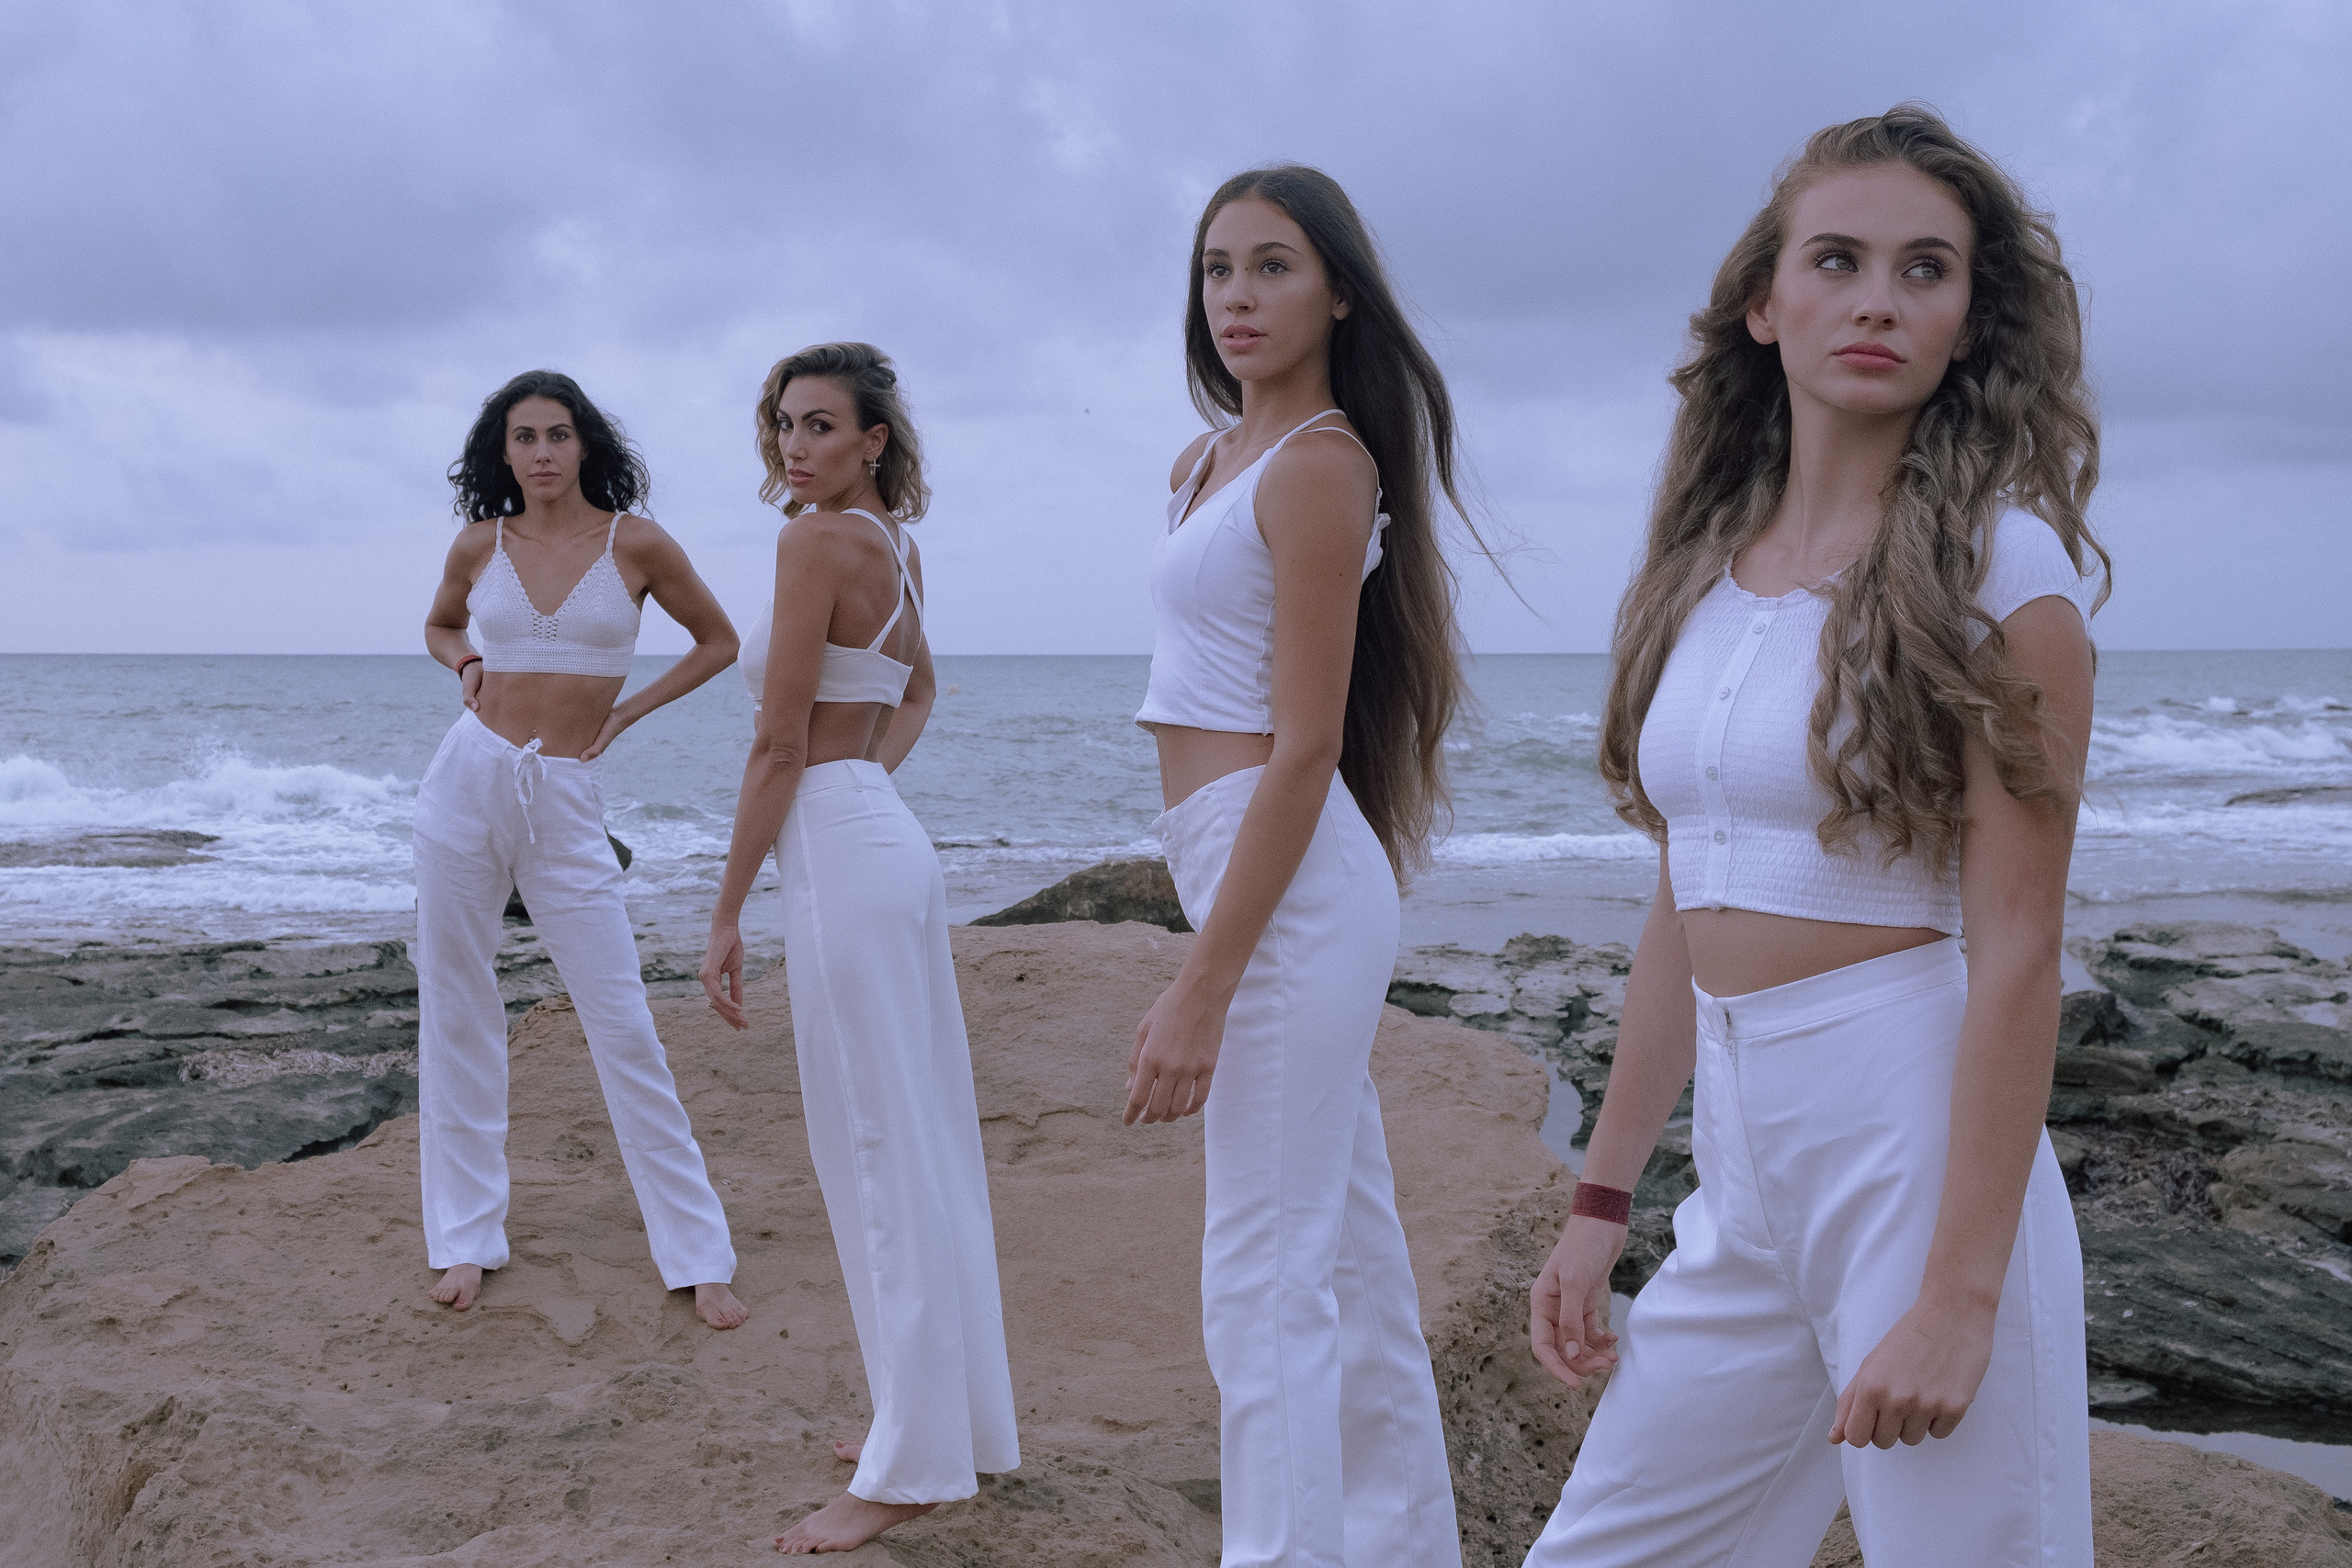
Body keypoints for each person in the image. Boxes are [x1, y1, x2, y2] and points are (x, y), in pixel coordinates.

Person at [1523, 105, 2109, 1567]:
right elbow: (1685, 892)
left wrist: (1963, 1289)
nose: (1877, 299)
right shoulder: (1703, 576)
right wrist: (1605, 1195)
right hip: (1741, 1151)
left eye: (1926, 270)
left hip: (1909, 1131)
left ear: (1970, 322)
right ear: (1763, 303)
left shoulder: (2004, 570)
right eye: (1837, 260)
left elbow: (2022, 942)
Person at [1125, 165, 1473, 1568]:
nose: (1239, 297)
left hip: (1292, 883)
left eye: (1272, 266)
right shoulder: (1202, 460)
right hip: (1239, 861)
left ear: (1337, 289)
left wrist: (1202, 986)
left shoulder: (1325, 463)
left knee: (1262, 1280)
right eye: (1218, 269)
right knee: (1351, 1267)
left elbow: (1306, 743)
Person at [698, 342, 1018, 1555]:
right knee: (917, 1136)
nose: (796, 445)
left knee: (878, 1149)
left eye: (822, 425)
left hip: (842, 847)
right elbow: (920, 688)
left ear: (875, 437)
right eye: (785, 424)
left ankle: (910, 1466)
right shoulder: (895, 548)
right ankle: (939, 1419)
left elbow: (779, 743)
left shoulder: (811, 541)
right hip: (884, 838)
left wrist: (727, 907)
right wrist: (865, 786)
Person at [416, 370, 747, 1328]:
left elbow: (717, 641)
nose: (543, 452)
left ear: (586, 444)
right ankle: (466, 1238)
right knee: (458, 1006)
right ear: (503, 452)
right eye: (524, 437)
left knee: (622, 1018)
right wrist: (467, 659)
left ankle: (696, 1252)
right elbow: (439, 626)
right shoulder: (480, 544)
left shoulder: (634, 542)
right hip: (466, 784)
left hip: (565, 797)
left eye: (558, 434)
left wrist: (629, 713)